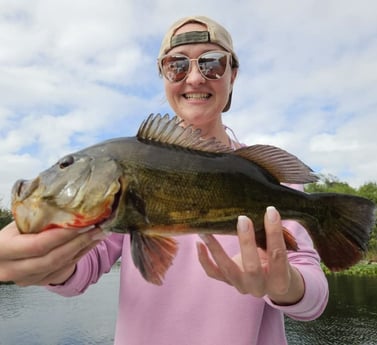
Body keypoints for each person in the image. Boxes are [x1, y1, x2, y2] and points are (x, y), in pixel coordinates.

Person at [0, 16, 328, 345]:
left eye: (212, 63)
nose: (196, 77)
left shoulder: (269, 179)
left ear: (233, 74)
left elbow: (313, 296)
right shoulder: (120, 187)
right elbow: (82, 268)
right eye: (177, 65)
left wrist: (285, 285)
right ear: (163, 75)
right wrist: (49, 263)